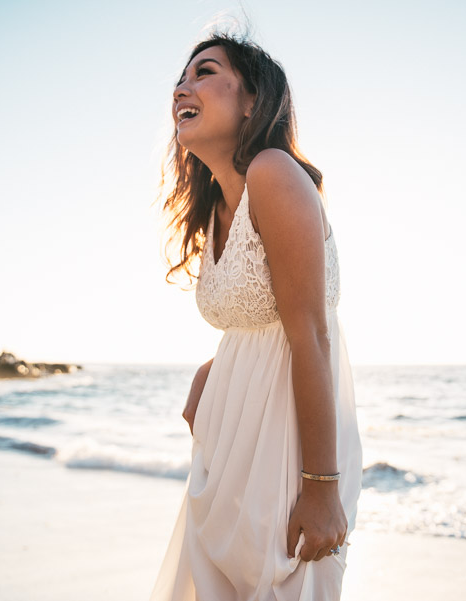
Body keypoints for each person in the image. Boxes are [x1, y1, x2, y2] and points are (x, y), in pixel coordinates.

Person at [149, 32, 363, 601]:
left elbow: (311, 332)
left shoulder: (274, 171)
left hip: (291, 438)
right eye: (180, 79)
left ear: (252, 100)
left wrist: (320, 486)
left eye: (205, 72)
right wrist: (211, 370)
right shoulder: (218, 205)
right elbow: (260, 321)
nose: (182, 89)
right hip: (231, 439)